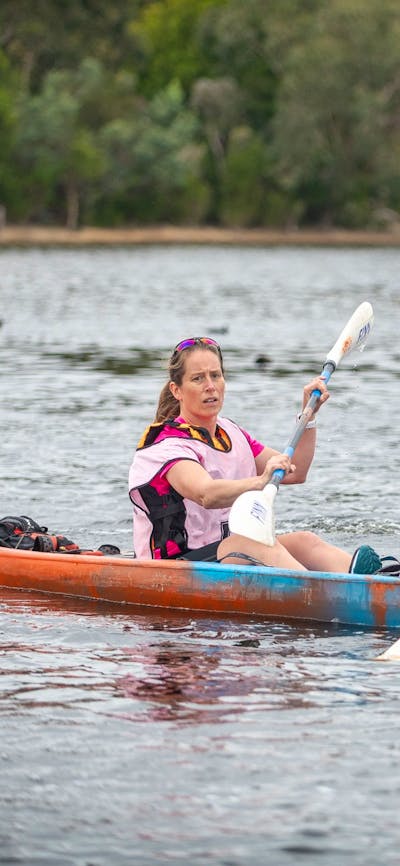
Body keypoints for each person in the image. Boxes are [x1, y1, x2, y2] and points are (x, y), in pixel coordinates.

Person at [129, 336, 383, 574]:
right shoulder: (166, 447)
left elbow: (296, 472)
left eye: (215, 376)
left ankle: (379, 578)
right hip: (172, 568)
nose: (210, 386)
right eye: (198, 379)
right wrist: (260, 481)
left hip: (225, 555)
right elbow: (205, 493)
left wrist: (308, 417)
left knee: (305, 541)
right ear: (177, 390)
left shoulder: (231, 432)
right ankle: (333, 592)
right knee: (248, 544)